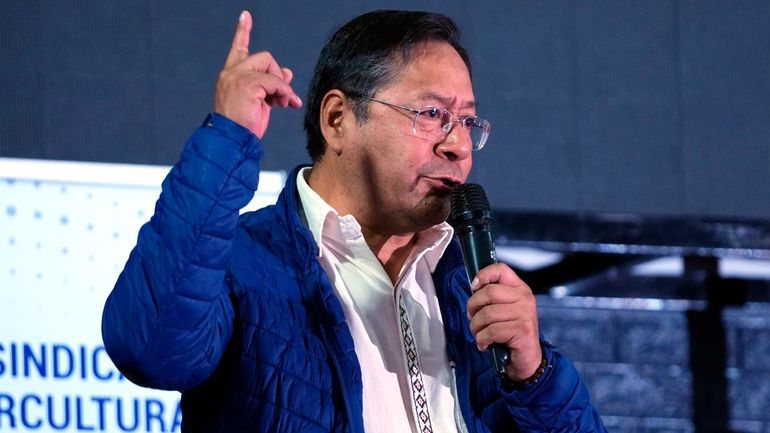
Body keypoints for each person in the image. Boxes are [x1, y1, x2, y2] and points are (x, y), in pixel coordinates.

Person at [102, 9, 607, 433]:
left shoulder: (468, 287)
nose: (457, 145)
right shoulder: (243, 261)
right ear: (338, 119)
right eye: (432, 114)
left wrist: (534, 377)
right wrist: (227, 139)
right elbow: (151, 350)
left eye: (468, 121)